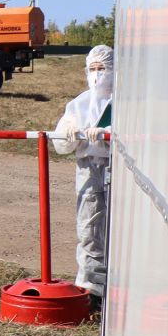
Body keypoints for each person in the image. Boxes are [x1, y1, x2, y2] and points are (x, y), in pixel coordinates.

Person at [51, 45, 113, 313]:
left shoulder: (127, 101)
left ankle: (117, 285)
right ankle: (91, 289)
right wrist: (68, 131)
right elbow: (59, 144)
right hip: (88, 169)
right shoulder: (79, 103)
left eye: (103, 69)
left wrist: (108, 132)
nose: (97, 75)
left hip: (117, 167)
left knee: (117, 229)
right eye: (93, 69)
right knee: (89, 229)